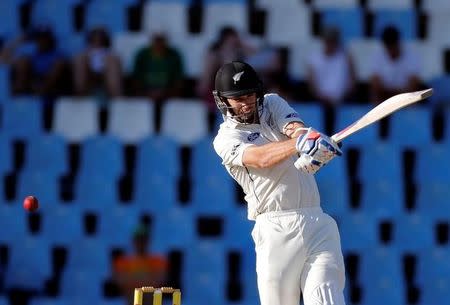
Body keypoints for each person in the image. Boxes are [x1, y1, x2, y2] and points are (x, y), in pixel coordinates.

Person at [212, 61, 346, 305]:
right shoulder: (225, 139)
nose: (245, 103)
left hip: (317, 221)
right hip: (276, 228)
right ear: (223, 100)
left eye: (249, 95)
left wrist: (310, 143)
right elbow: (261, 158)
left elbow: (295, 128)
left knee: (328, 299)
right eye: (237, 98)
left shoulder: (272, 103)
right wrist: (300, 145)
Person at [112, 223, 169, 305]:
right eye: (138, 239)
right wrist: (147, 277)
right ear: (133, 241)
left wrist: (133, 278)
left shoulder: (158, 260)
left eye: (143, 239)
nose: (141, 243)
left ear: (148, 241)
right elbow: (119, 281)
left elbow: (159, 280)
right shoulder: (123, 262)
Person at [370, 25, 421, 104]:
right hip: (384, 100)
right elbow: (376, 86)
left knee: (414, 100)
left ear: (398, 42)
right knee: (375, 100)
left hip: (406, 101)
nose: (391, 50)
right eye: (388, 47)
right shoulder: (377, 56)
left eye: (393, 46)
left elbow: (413, 87)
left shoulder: (412, 56)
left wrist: (392, 94)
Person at [131, 32, 184, 102]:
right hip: (145, 94)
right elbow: (136, 79)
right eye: (156, 40)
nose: (159, 43)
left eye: (161, 40)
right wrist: (147, 93)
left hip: (168, 95)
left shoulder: (174, 55)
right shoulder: (142, 55)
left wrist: (165, 93)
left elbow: (178, 81)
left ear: (166, 40)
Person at [72, 27, 123, 98]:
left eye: (100, 40)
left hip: (106, 76)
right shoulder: (83, 55)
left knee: (112, 62)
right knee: (80, 60)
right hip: (88, 76)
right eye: (94, 40)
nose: (97, 42)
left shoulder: (112, 56)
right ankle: (80, 98)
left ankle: (117, 98)